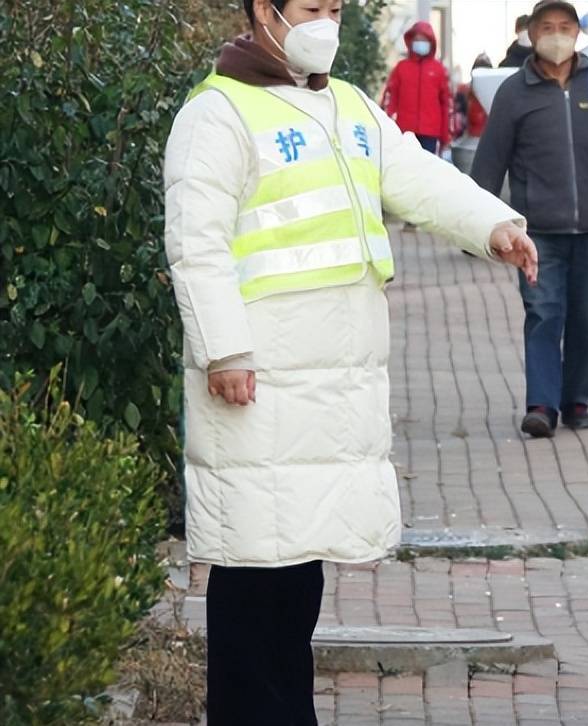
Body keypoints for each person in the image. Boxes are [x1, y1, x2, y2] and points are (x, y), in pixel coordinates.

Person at [164, 0, 538, 721]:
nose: (326, 21)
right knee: (251, 574)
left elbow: (415, 179)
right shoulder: (217, 114)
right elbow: (196, 244)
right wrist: (224, 349)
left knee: (299, 574)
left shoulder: (348, 105)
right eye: (311, 7)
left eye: (335, 7)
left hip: (334, 382)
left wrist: (493, 225)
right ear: (263, 13)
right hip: (256, 380)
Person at [471, 0, 588, 439]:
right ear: (530, 33)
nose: (555, 34)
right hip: (537, 232)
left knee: (587, 316)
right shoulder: (515, 92)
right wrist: (475, 223)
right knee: (544, 313)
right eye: (546, 26)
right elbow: (491, 160)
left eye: (564, 26)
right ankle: (542, 405)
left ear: (577, 33)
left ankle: (576, 400)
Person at [382, 20, 452, 154]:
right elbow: (390, 98)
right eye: (417, 39)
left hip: (430, 133)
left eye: (424, 39)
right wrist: (387, 125)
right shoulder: (401, 68)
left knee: (426, 170)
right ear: (411, 41)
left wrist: (446, 136)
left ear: (431, 43)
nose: (420, 42)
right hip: (404, 131)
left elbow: (446, 105)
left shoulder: (439, 70)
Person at [452, 53, 492, 142]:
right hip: (469, 139)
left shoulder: (495, 92)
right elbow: (458, 120)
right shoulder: (464, 92)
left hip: (485, 140)